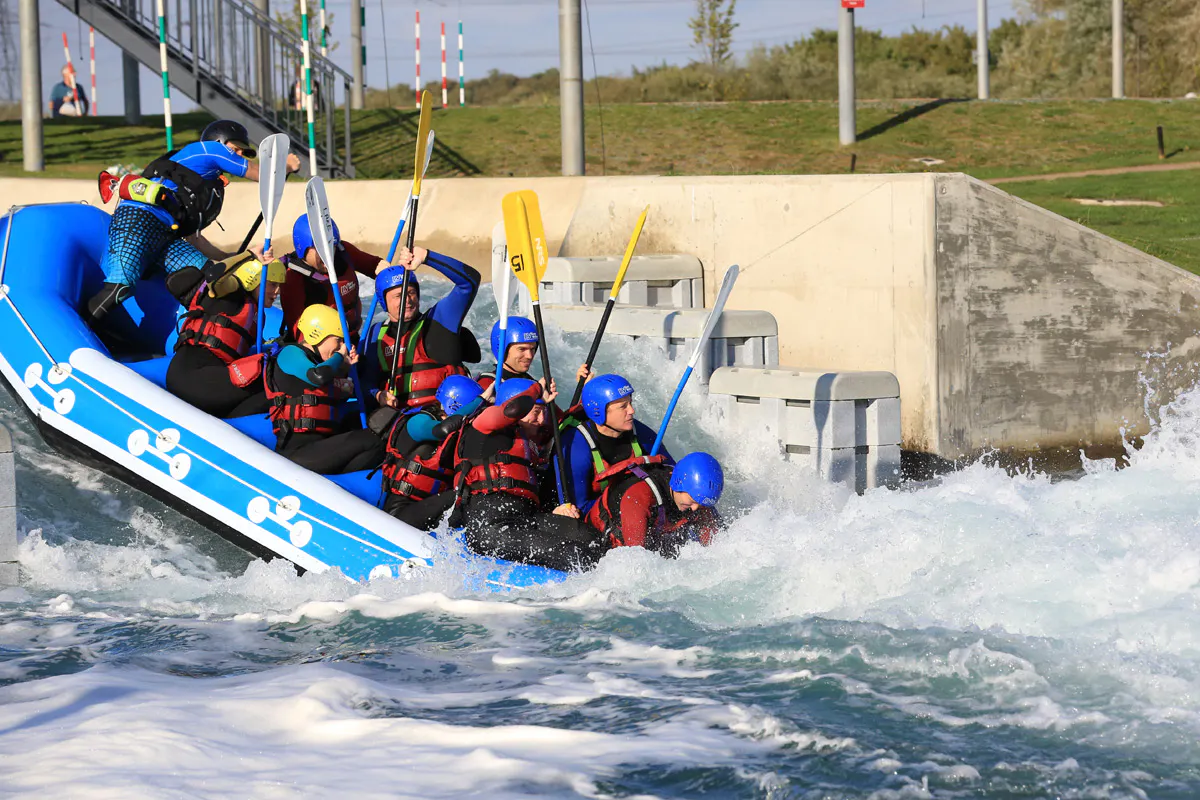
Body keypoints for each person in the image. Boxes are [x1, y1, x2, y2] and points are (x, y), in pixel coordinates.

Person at [83, 120, 301, 340]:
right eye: (236, 148)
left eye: (244, 152)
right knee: (121, 288)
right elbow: (262, 174)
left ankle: (218, 337)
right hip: (138, 219)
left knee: (211, 279)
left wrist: (230, 257)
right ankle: (81, 331)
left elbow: (195, 240)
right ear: (220, 141)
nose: (240, 155)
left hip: (165, 236)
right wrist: (287, 165)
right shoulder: (210, 149)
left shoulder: (209, 190)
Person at [452, 378, 608, 572]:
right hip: (491, 526)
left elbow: (564, 423)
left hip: (526, 518)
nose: (541, 420)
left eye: (542, 412)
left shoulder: (530, 446)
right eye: (535, 412)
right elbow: (511, 411)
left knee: (589, 537)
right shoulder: (483, 428)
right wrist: (536, 388)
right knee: (575, 554)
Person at [263, 304, 384, 474]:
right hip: (297, 451)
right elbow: (317, 376)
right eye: (338, 340)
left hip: (322, 445)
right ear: (318, 335)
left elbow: (341, 392)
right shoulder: (290, 353)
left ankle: (341, 480)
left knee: (378, 431)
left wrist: (349, 369)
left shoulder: (325, 365)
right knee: (372, 440)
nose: (343, 345)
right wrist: (339, 356)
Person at [165, 250, 285, 418]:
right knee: (276, 384)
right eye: (273, 284)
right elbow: (214, 275)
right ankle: (233, 428)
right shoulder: (228, 296)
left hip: (209, 378)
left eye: (280, 285)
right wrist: (250, 254)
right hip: (193, 378)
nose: (277, 291)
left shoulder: (257, 315)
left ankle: (230, 422)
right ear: (254, 280)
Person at [361, 248, 482, 411]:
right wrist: (378, 395)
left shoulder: (438, 320)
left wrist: (427, 256)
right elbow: (366, 381)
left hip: (443, 416)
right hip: (398, 421)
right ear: (384, 302)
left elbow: (469, 282)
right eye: (398, 296)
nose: (408, 300)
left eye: (411, 292)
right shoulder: (376, 334)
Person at [381, 374, 485, 530]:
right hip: (400, 511)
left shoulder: (459, 438)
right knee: (462, 495)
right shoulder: (417, 422)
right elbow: (441, 430)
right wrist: (480, 401)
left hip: (429, 510)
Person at [560, 373, 668, 513]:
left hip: (634, 507)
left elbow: (671, 471)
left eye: (630, 403)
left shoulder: (639, 432)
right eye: (623, 406)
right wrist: (628, 502)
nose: (631, 410)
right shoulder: (575, 445)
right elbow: (578, 508)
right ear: (598, 412)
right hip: (597, 517)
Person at [585, 451, 724, 558]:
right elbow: (635, 558)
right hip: (601, 543)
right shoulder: (639, 497)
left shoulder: (696, 498)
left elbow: (715, 546)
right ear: (678, 484)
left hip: (653, 537)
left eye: (700, 504)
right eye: (693, 501)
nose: (695, 508)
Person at [279, 214, 387, 342]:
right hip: (319, 348)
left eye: (332, 246)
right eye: (320, 250)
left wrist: (398, 268)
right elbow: (297, 331)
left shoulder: (344, 252)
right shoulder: (293, 277)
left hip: (352, 338)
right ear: (303, 248)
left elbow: (376, 267)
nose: (328, 254)